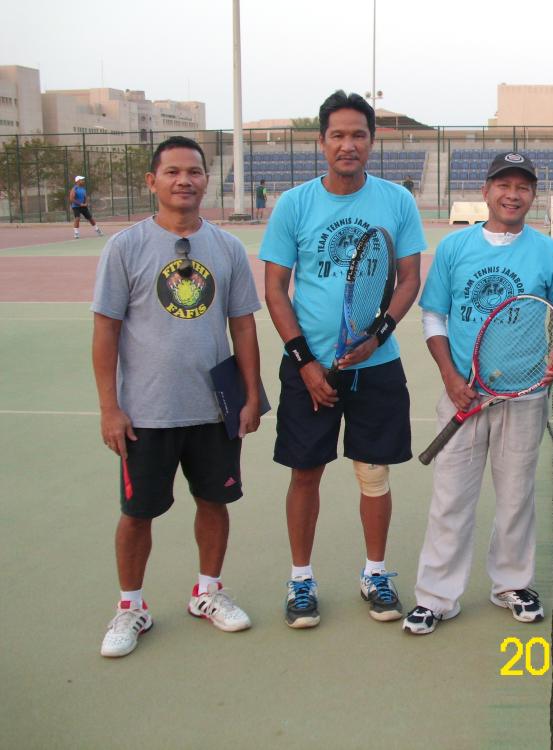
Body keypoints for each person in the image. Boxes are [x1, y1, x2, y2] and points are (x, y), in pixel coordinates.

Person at [92, 136, 262, 658]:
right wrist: (109, 407)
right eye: (172, 172)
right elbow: (105, 332)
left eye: (193, 171)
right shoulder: (124, 248)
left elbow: (243, 328)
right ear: (153, 181)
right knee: (137, 513)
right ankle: (131, 608)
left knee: (214, 502)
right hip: (146, 412)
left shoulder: (228, 249)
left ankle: (207, 591)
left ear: (206, 180)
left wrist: (251, 396)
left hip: (213, 408)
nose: (183, 180)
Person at [259, 91, 424, 628]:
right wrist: (304, 362)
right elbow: (276, 290)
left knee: (373, 473)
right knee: (305, 473)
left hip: (376, 366)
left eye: (358, 135)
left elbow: (408, 279)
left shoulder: (397, 201)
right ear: (321, 142)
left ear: (371, 142)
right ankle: (301, 581)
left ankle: (375, 574)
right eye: (338, 135)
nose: (348, 144)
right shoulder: (295, 205)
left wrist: (377, 335)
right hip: (308, 368)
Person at [404, 152, 553, 635]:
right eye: (503, 184)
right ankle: (437, 597)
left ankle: (511, 583)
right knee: (450, 499)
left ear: (532, 195)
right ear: (485, 191)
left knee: (516, 496)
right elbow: (434, 315)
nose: (512, 194)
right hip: (462, 394)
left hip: (524, 396)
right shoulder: (454, 248)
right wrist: (448, 377)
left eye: (522, 186)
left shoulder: (549, 253)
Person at [70, 175, 103, 239]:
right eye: (81, 180)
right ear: (78, 181)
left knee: (90, 218)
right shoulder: (74, 189)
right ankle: (76, 233)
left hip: (83, 207)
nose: (83, 181)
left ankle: (97, 229)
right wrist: (80, 204)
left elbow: (85, 197)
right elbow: (71, 199)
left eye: (83, 180)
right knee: (77, 218)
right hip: (76, 207)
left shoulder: (83, 189)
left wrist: (85, 203)